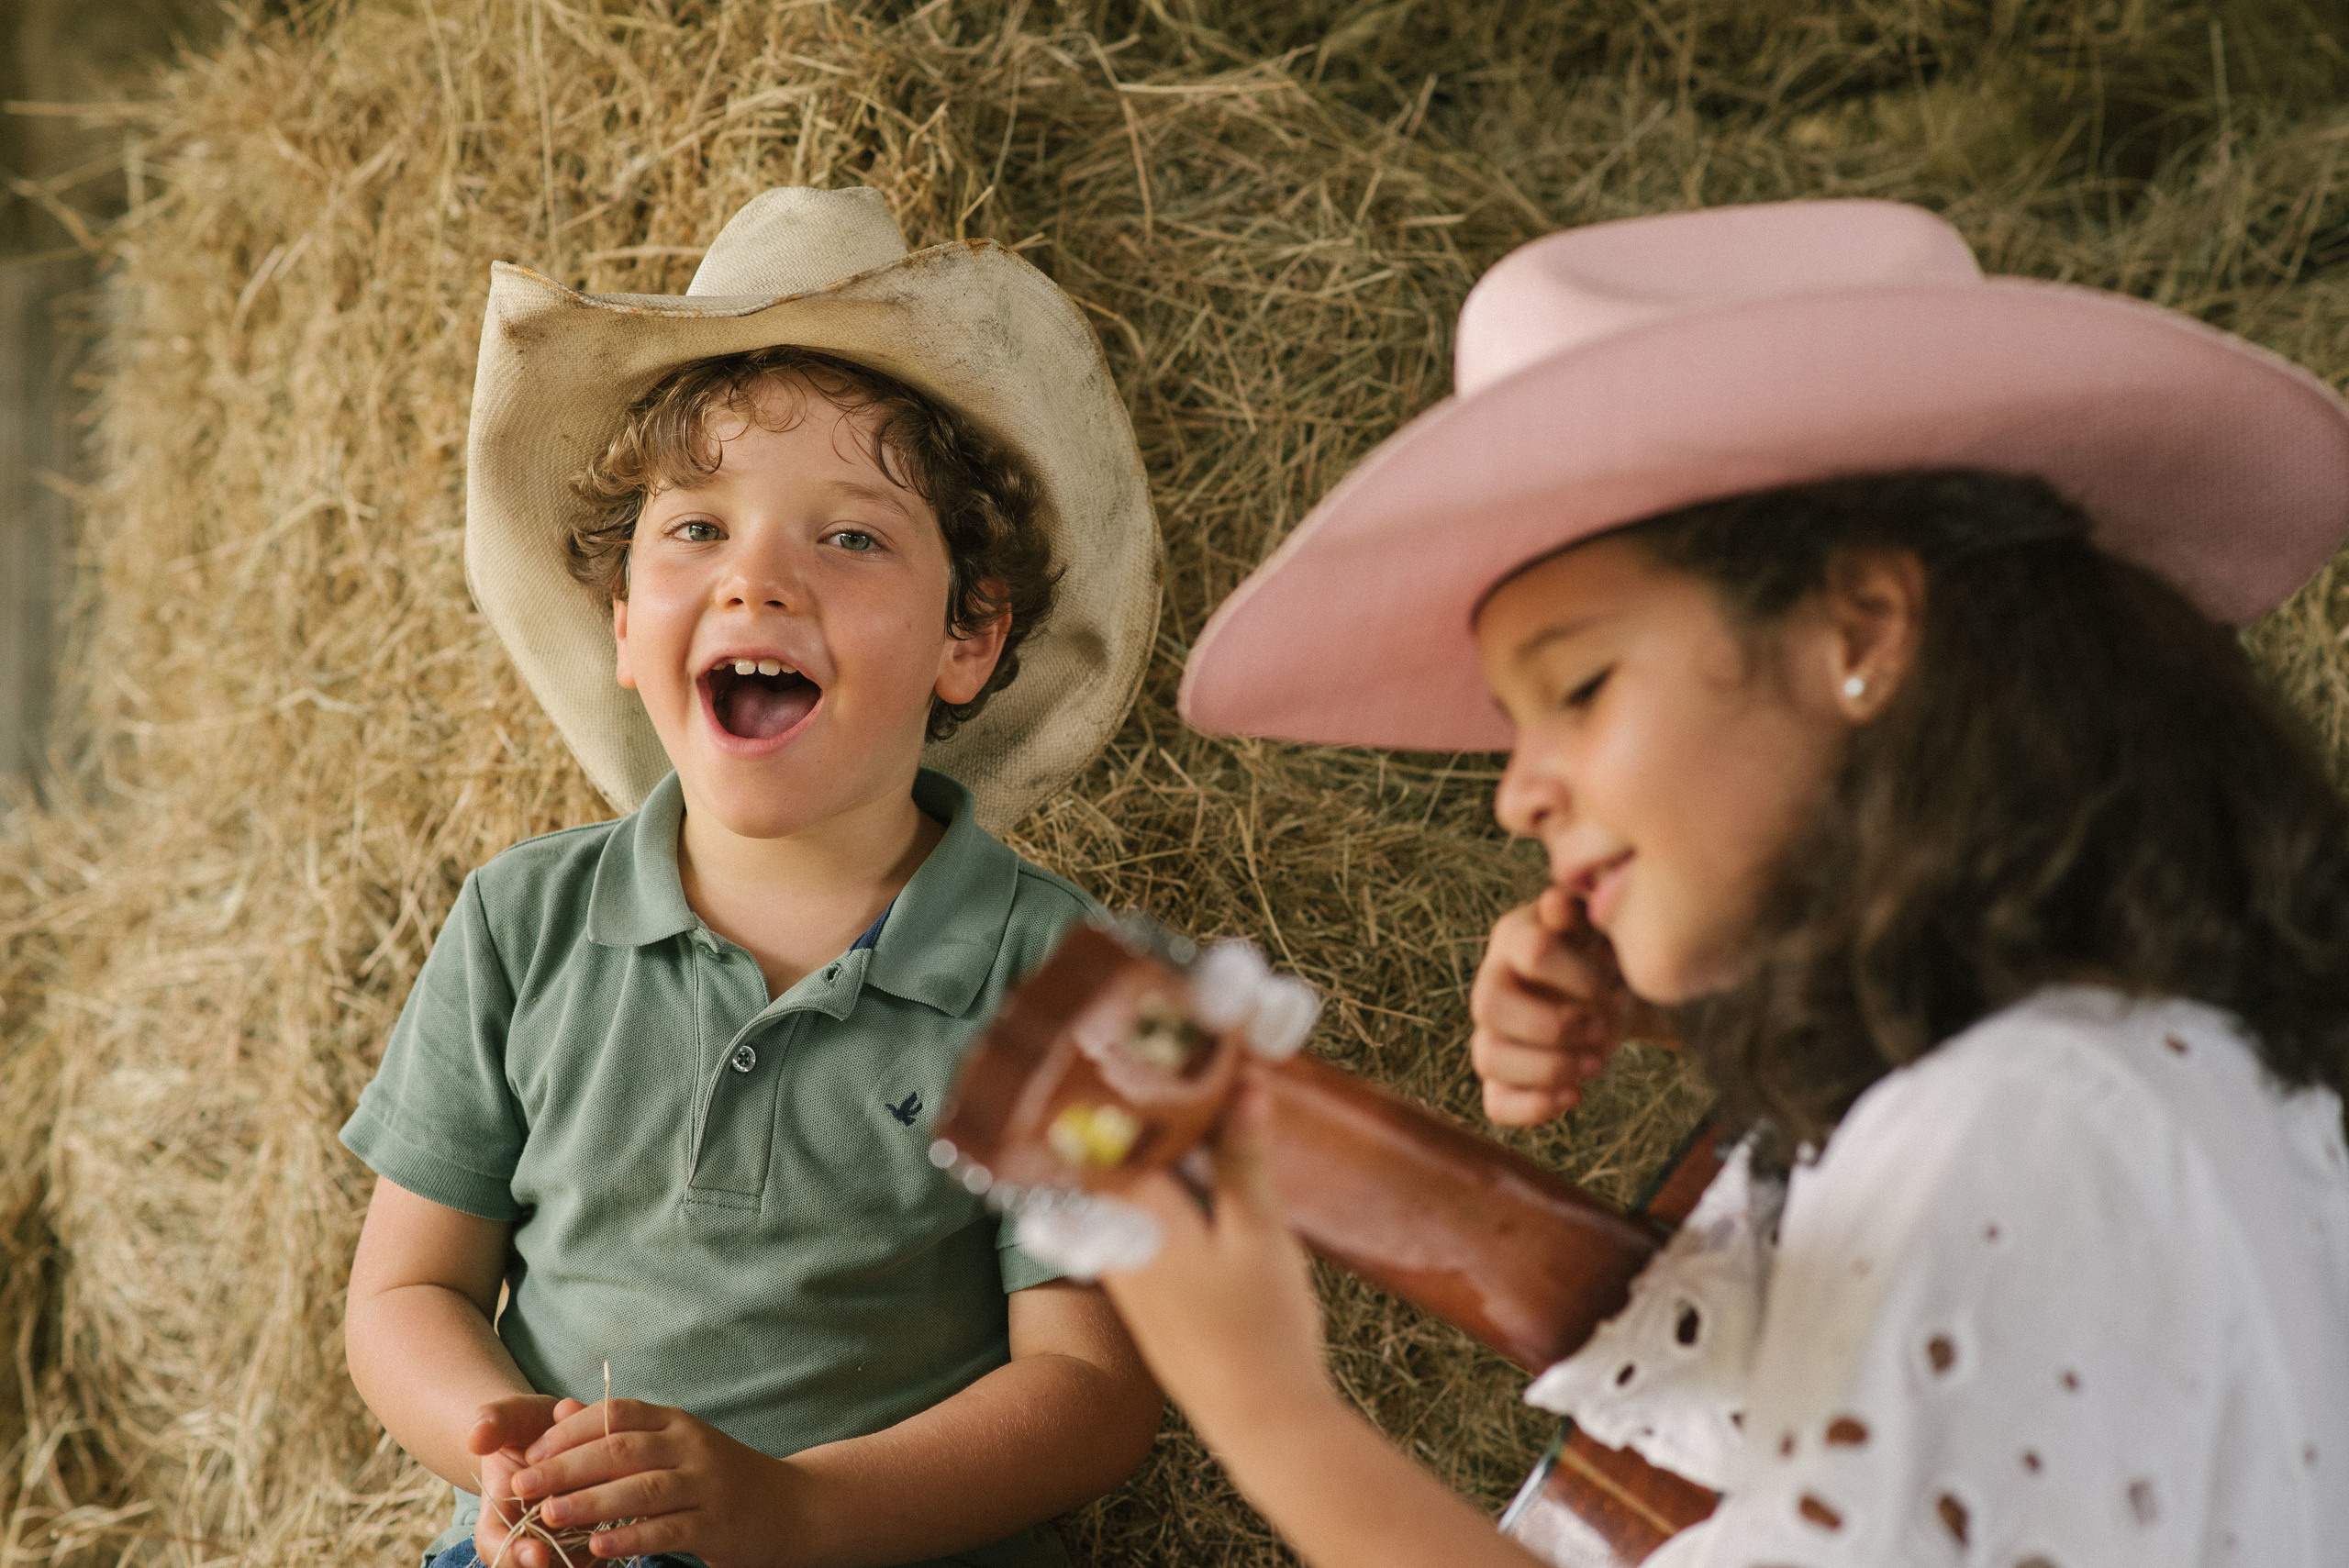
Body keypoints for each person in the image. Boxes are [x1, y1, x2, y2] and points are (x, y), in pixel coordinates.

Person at [1097, 200, 2349, 1566]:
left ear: (1861, 631)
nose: (1518, 791)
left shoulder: (2014, 1128)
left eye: (1579, 686)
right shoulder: (2179, 1062)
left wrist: (1267, 1407)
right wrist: (1695, 1014)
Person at [338, 186, 1166, 1568]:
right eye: (698, 528)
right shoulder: (520, 924)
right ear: (621, 625)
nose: (756, 582)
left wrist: (794, 1510)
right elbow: (406, 1287)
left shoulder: (1062, 979)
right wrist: (531, 1461)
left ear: (969, 634)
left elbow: (1087, 1393)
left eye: (849, 535)